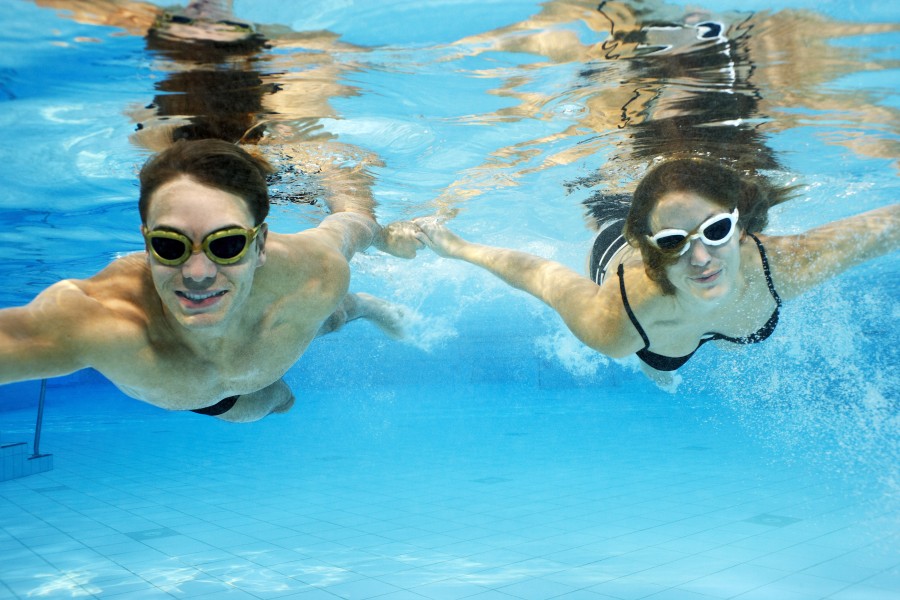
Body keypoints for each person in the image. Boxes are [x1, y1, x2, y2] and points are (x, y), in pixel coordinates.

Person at [0, 139, 421, 421]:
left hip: (273, 322)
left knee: (326, 315)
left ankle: (360, 306)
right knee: (279, 404)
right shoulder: (100, 320)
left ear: (260, 246)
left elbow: (352, 222)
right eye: (170, 245)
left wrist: (387, 239)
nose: (197, 274)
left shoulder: (315, 268)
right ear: (146, 244)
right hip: (217, 399)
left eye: (226, 245)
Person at [415, 157, 899, 387]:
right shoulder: (618, 321)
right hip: (620, 261)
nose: (701, 258)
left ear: (739, 222)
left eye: (715, 230)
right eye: (672, 243)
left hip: (709, 308)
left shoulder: (783, 263)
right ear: (650, 247)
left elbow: (887, 226)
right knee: (651, 359)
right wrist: (459, 248)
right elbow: (539, 274)